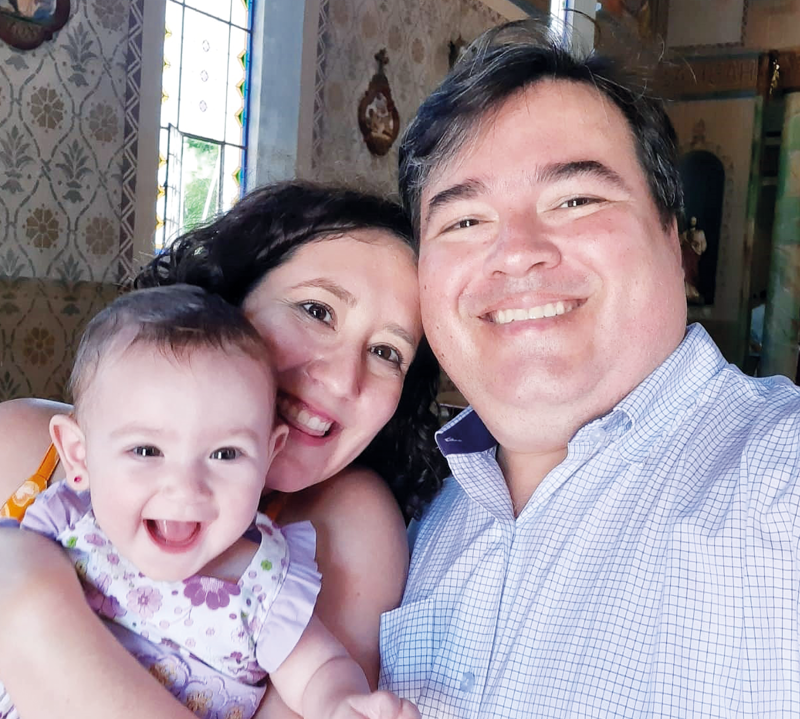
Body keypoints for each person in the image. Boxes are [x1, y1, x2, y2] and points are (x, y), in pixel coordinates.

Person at [379, 20, 800, 718]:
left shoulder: (779, 482)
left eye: (576, 200)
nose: (518, 251)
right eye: (464, 221)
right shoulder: (418, 521)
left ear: (673, 239)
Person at [0, 182, 445, 719]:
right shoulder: (27, 455)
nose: (342, 380)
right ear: (233, 297)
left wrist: (30, 607)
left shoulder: (293, 562)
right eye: (316, 310)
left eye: (386, 352)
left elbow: (322, 677)